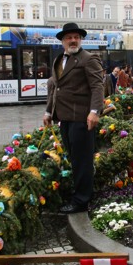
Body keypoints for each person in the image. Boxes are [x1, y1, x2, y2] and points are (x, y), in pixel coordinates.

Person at [43, 22, 104, 214]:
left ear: (81, 39)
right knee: (74, 158)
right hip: (65, 117)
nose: (73, 40)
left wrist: (95, 111)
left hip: (82, 118)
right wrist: (48, 112)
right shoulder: (59, 60)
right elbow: (55, 87)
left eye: (76, 37)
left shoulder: (88, 58)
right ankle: (79, 191)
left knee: (82, 160)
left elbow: (97, 86)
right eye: (69, 37)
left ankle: (81, 201)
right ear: (62, 41)